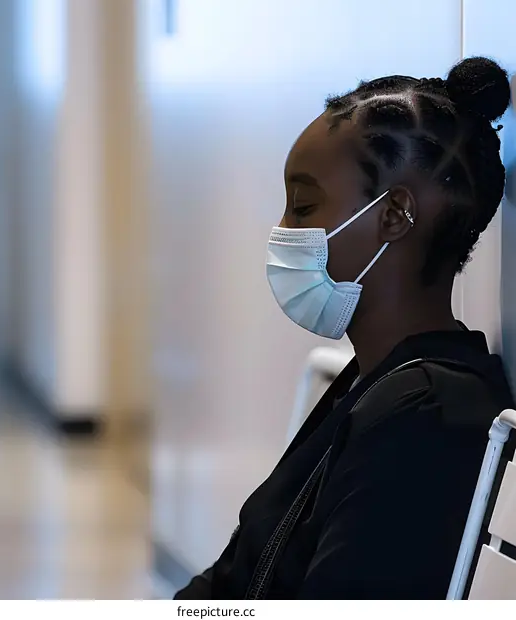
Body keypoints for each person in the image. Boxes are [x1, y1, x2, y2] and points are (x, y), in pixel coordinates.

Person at [174, 56, 516, 600]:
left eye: (303, 205)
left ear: (393, 216)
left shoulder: (424, 415)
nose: (283, 231)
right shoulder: (376, 380)